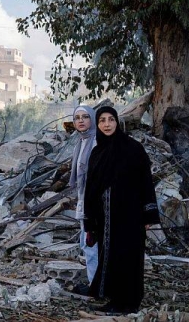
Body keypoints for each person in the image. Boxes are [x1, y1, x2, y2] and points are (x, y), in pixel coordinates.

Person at [83, 106, 160, 314]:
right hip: (105, 219)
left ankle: (129, 302)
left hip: (130, 216)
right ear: (97, 125)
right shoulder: (97, 153)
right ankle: (115, 299)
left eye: (110, 120)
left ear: (117, 122)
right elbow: (90, 189)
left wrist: (149, 213)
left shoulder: (133, 149)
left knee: (129, 257)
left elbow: (145, 181)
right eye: (102, 121)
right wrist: (89, 221)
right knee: (109, 256)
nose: (107, 124)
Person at [69, 105, 98, 290]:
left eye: (85, 116)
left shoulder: (96, 142)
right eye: (77, 117)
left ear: (92, 119)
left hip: (94, 203)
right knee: (88, 244)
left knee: (92, 243)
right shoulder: (81, 142)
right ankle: (93, 283)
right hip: (84, 201)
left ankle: (96, 285)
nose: (81, 120)